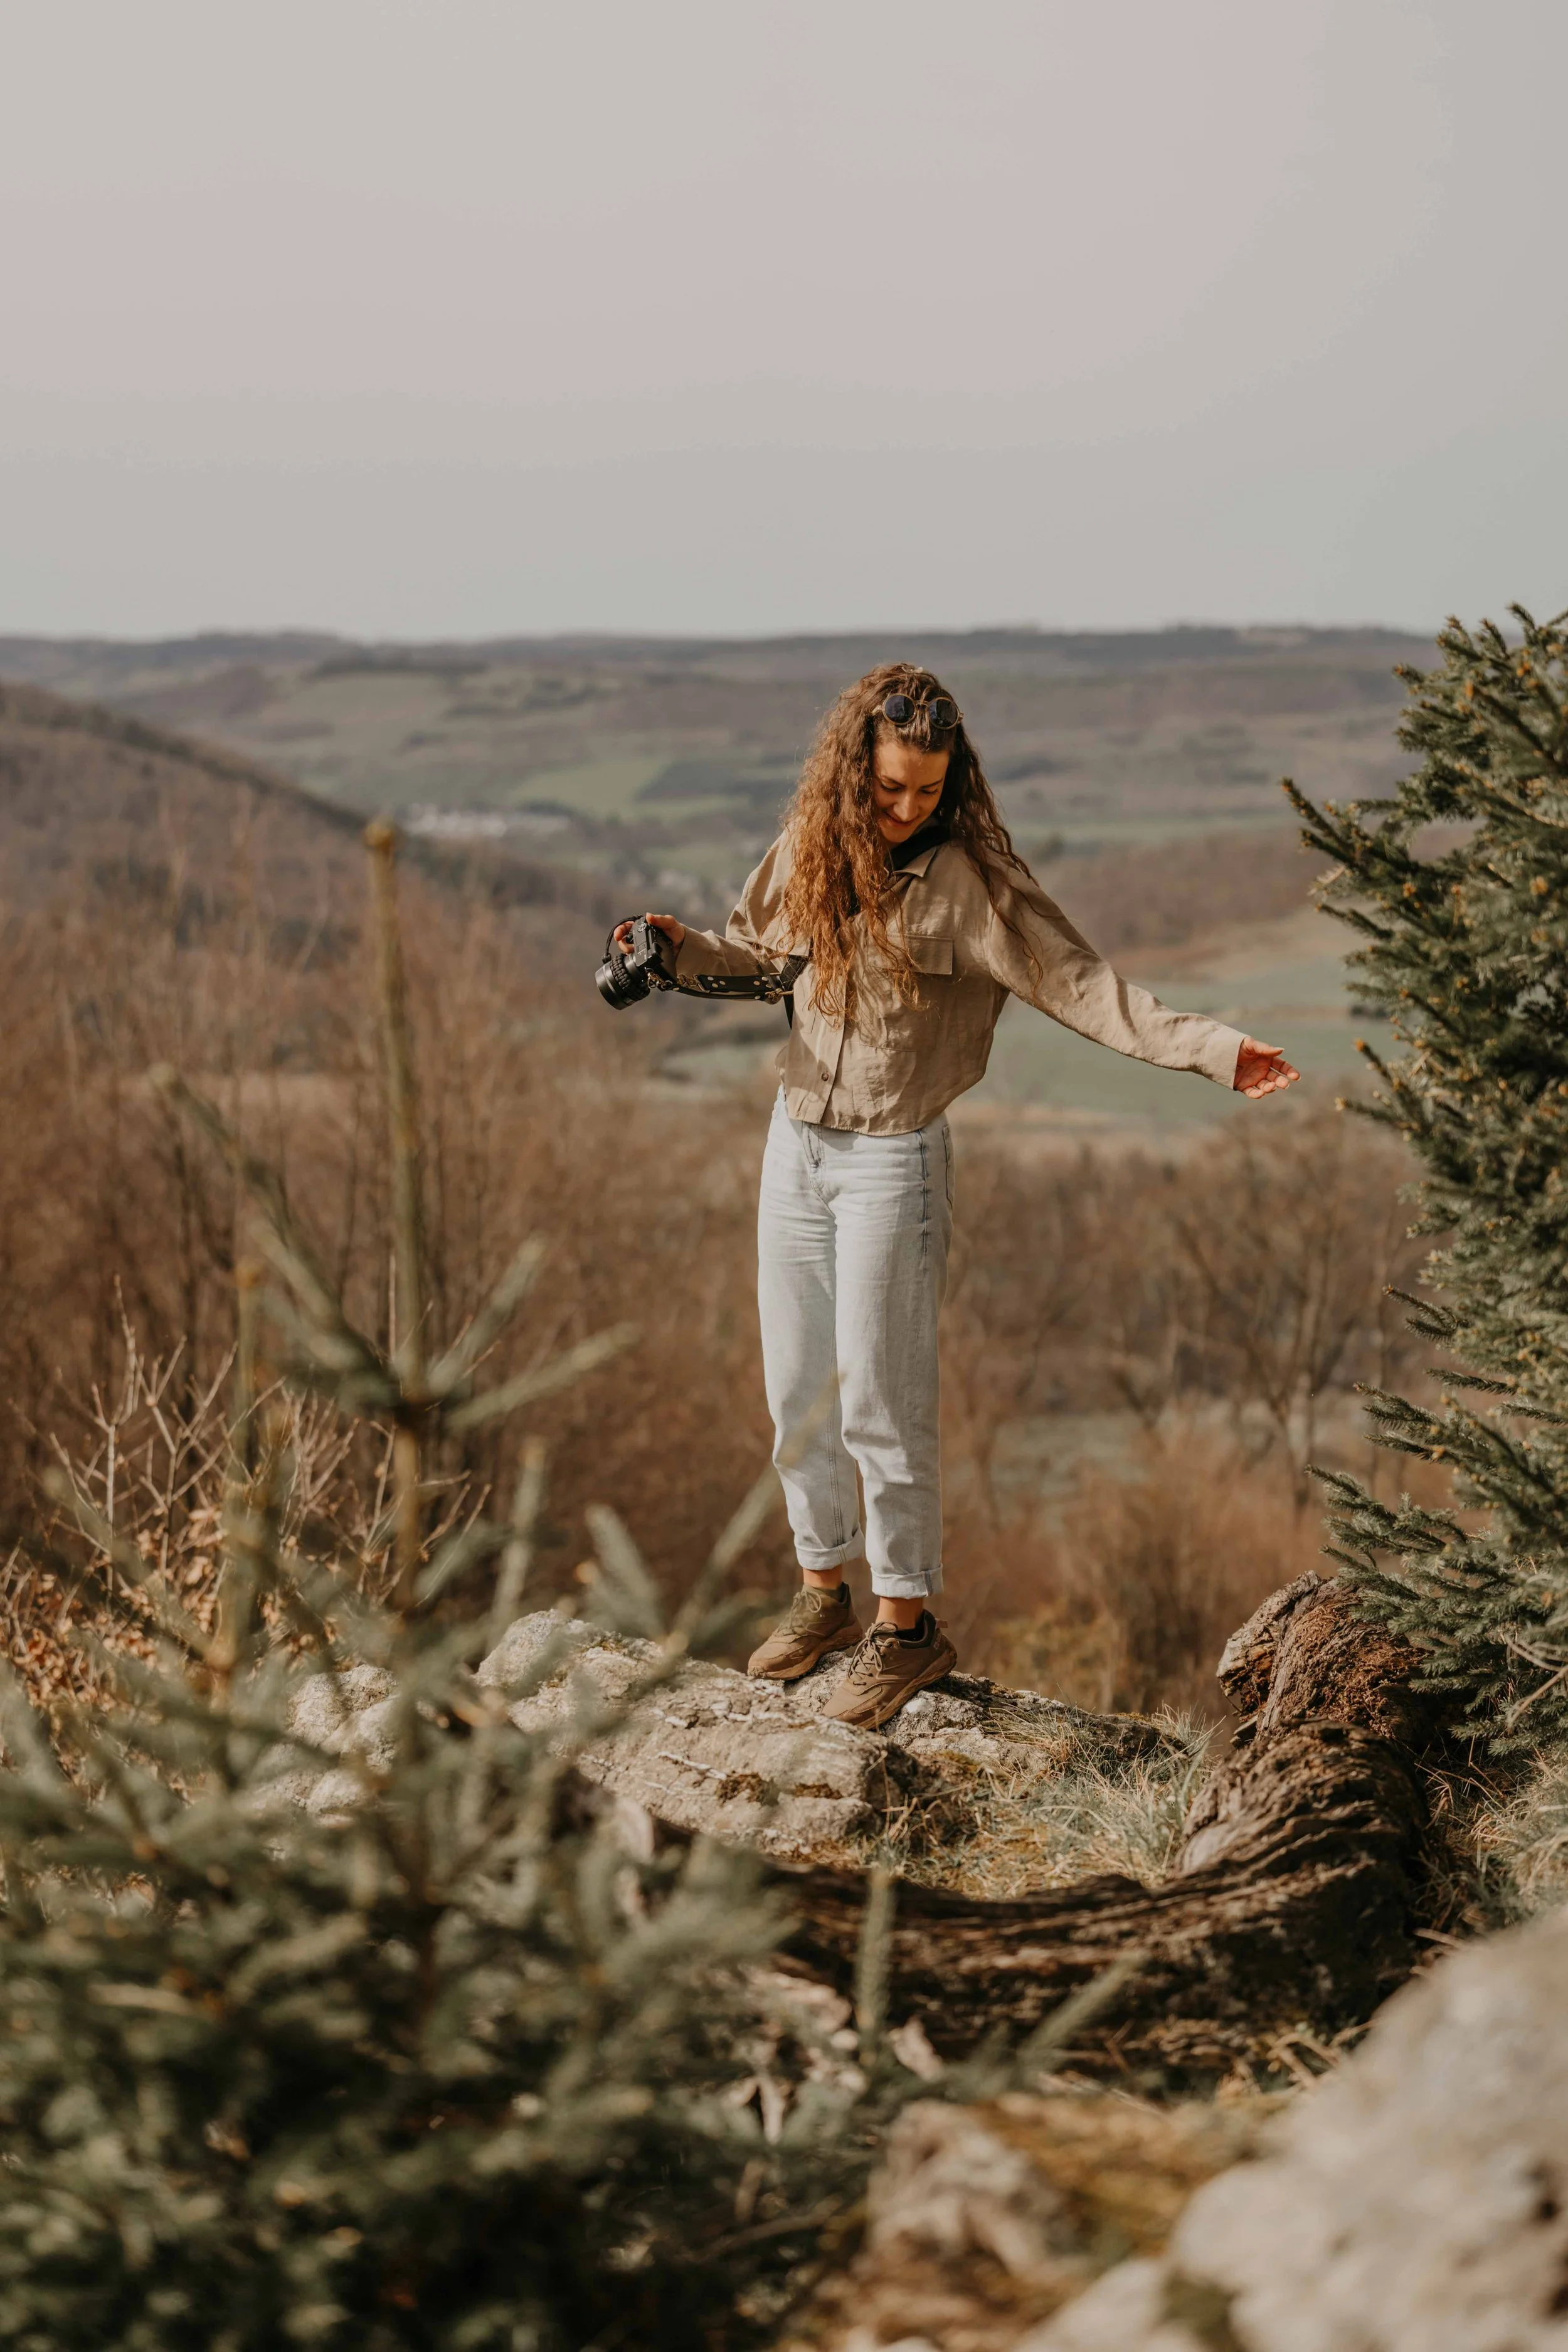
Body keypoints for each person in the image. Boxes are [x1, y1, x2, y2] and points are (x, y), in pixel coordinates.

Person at [614, 663, 1298, 1729]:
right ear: (855, 771)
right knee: (797, 1391)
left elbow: (1081, 983)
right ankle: (824, 1595)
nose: (904, 807)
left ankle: (905, 1628)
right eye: (889, 788)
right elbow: (754, 960)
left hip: (893, 1158)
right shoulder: (810, 847)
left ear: (952, 779)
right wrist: (663, 950)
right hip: (794, 1141)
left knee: (883, 1401)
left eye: (925, 791)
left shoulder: (972, 884)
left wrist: (1212, 1049)